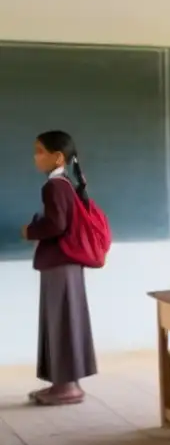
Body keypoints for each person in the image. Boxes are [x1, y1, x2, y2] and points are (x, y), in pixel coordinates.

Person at [22, 131, 98, 406]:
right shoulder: (66, 183)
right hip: (67, 265)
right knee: (66, 320)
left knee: (61, 321)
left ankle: (66, 387)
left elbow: (57, 225)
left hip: (60, 264)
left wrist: (30, 230)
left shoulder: (54, 186)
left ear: (58, 157)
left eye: (40, 151)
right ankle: (66, 383)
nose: (36, 156)